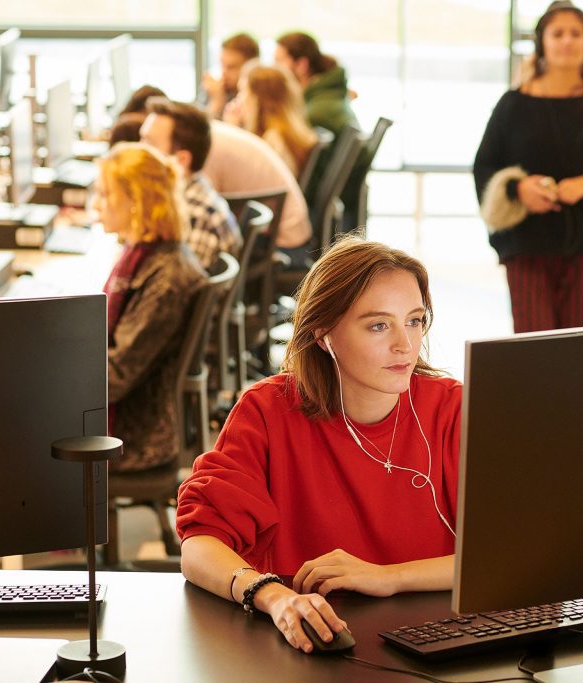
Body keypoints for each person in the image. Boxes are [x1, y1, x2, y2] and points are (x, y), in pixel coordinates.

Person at [175, 236, 461, 653]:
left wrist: (389, 576)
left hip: (440, 643)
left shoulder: (453, 408)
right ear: (323, 334)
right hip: (314, 645)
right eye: (379, 325)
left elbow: (513, 554)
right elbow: (200, 546)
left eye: (415, 320)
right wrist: (275, 598)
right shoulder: (267, 411)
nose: (405, 344)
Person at [473, 0, 583, 334]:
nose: (567, 41)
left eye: (576, 33)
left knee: (581, 352)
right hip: (525, 246)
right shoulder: (512, 105)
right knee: (534, 350)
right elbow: (485, 166)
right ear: (542, 41)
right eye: (558, 33)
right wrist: (519, 188)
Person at [95, 142, 208, 472]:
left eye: (105, 195)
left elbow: (116, 377)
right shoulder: (143, 255)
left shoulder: (165, 279)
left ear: (136, 201)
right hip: (133, 409)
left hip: (134, 434)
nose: (95, 205)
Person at [139, 98, 242, 270]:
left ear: (181, 160)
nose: (137, 151)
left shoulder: (195, 215)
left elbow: (177, 290)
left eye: (149, 144)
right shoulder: (182, 194)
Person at [202, 119, 312, 250]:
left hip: (281, 240)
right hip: (287, 227)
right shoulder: (213, 133)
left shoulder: (206, 145)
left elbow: (205, 206)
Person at [225, 63, 317, 177]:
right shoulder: (284, 134)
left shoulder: (274, 141)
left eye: (242, 91)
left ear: (258, 99)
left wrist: (232, 131)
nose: (238, 99)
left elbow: (246, 180)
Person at [274, 31, 359, 137]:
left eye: (279, 61)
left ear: (301, 64)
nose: (275, 68)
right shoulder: (327, 95)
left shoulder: (316, 113)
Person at [201, 33, 259, 120]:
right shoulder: (215, 90)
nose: (224, 72)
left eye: (231, 67)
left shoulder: (256, 98)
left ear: (251, 67)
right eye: (222, 64)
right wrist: (216, 102)